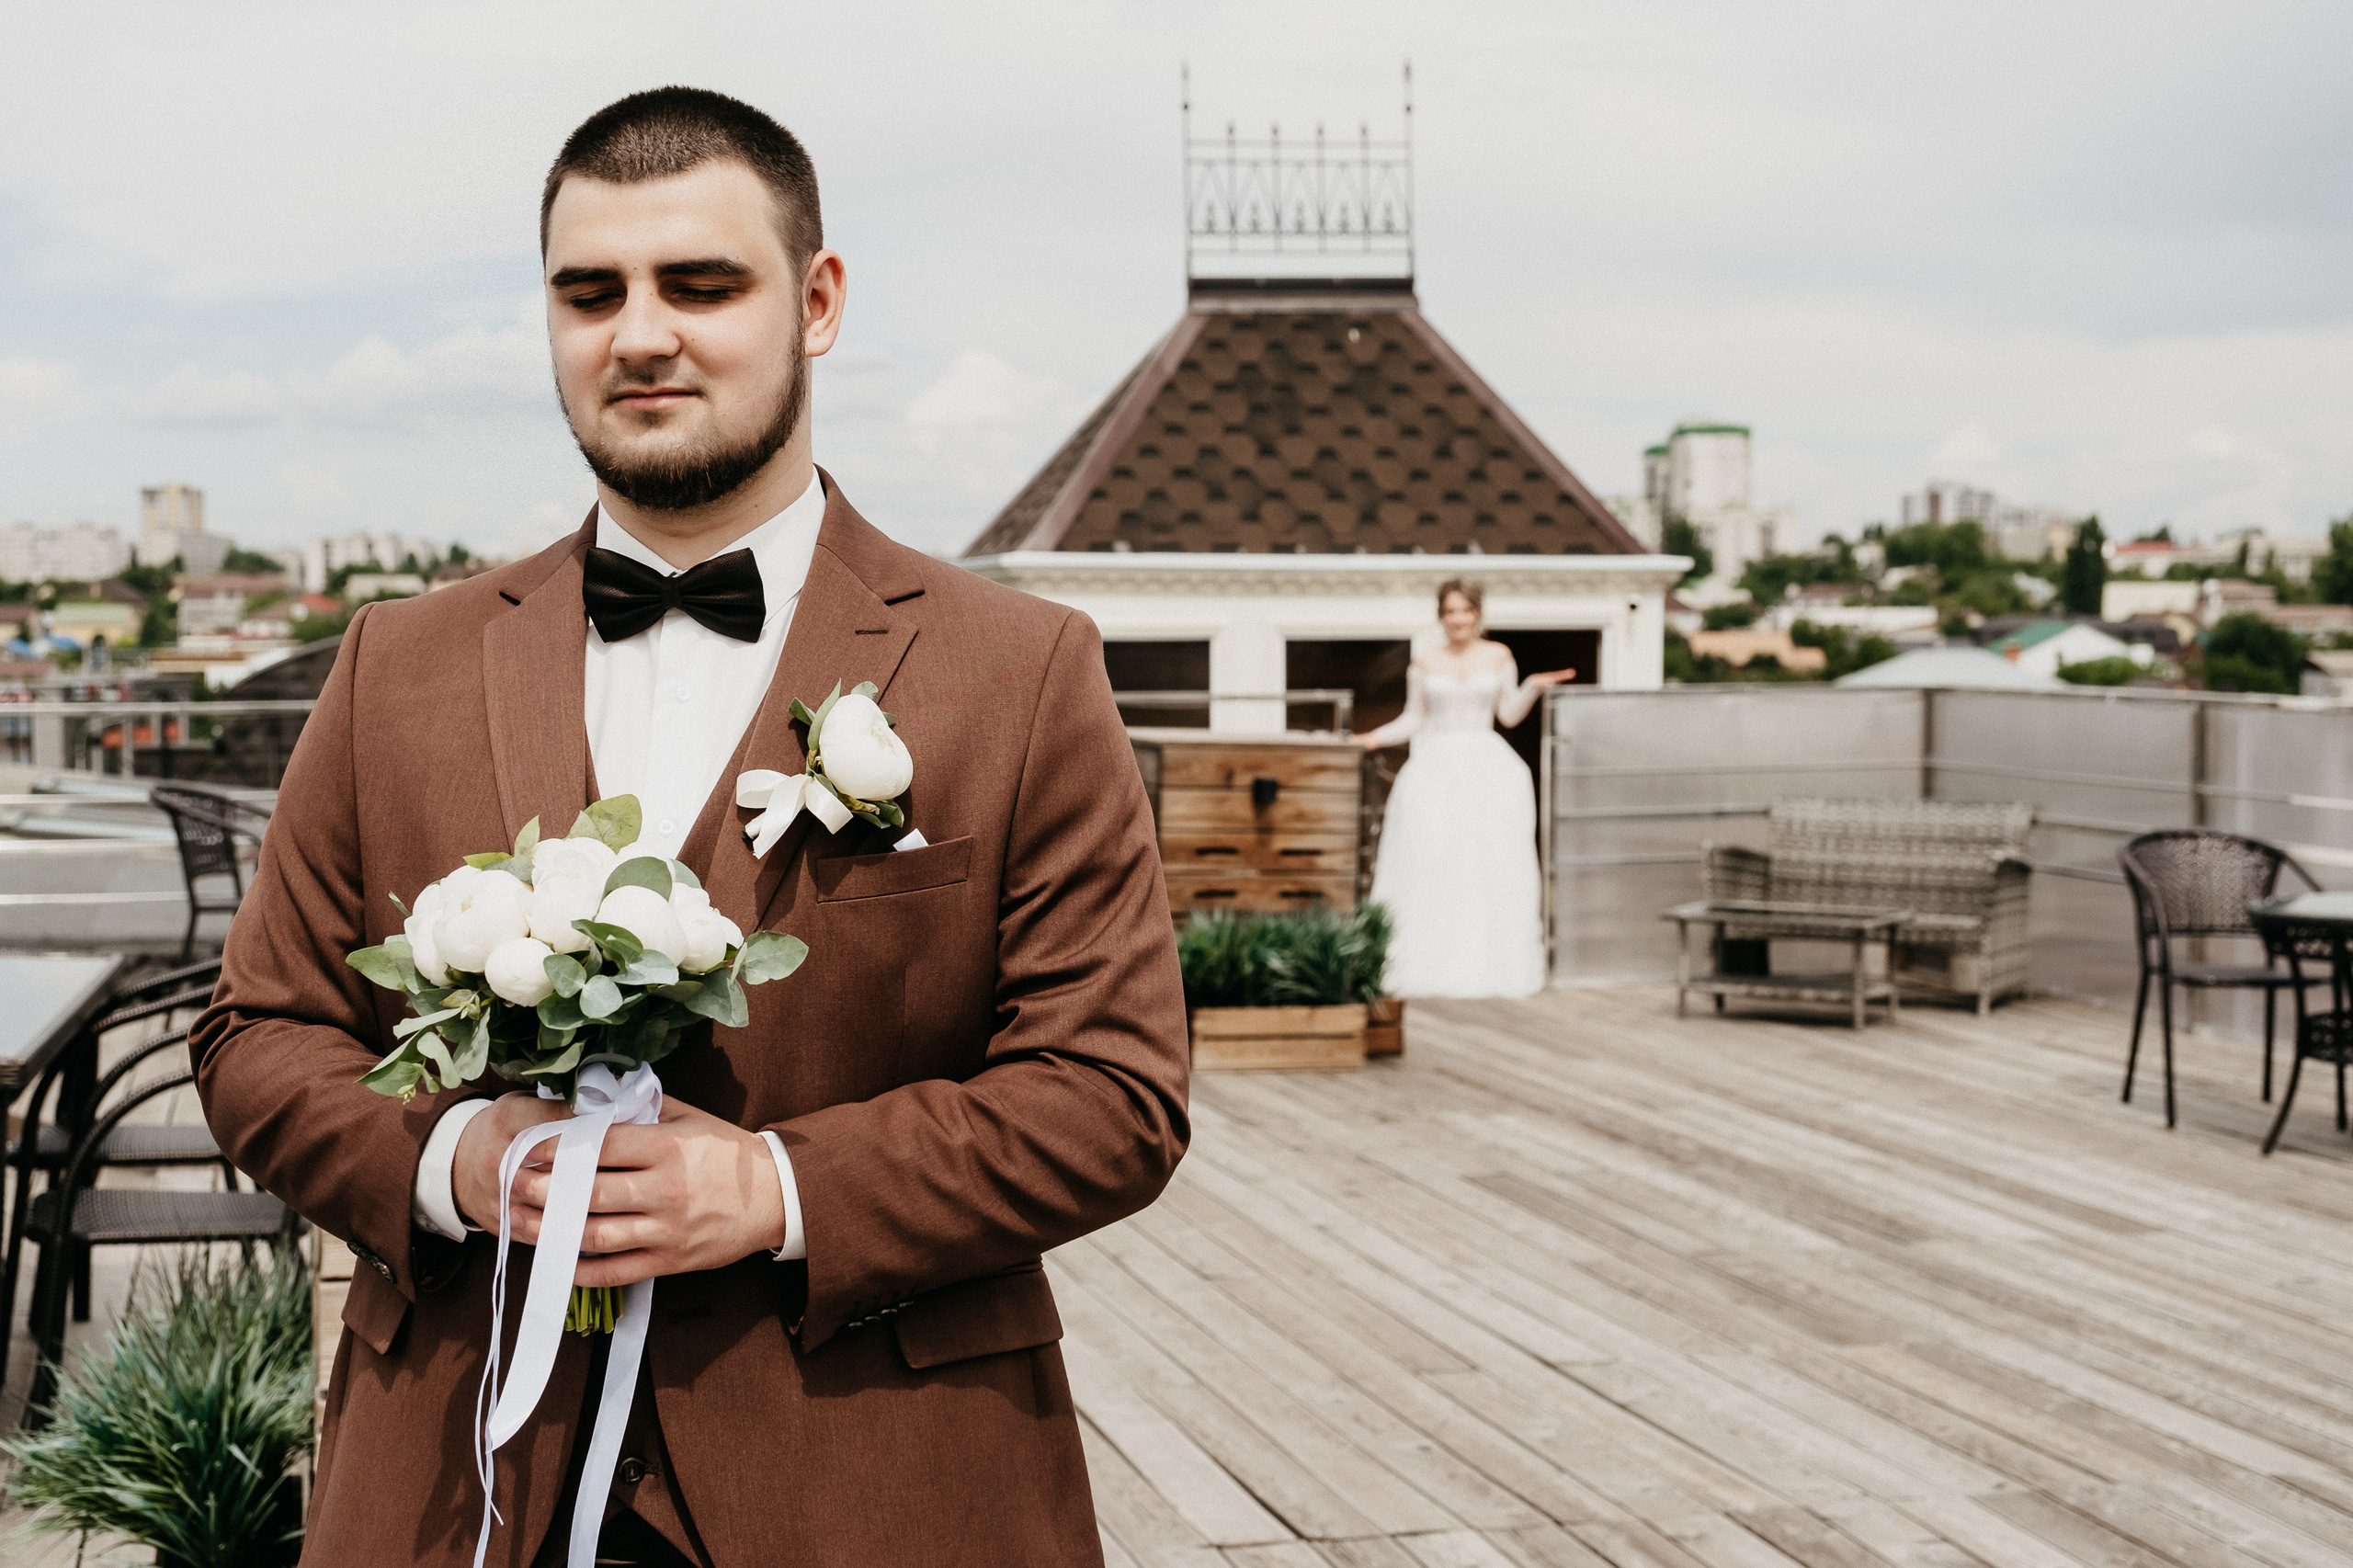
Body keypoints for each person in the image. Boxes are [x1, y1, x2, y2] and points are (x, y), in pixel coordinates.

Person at [193, 87, 1188, 1568]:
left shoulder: (1020, 669)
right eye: (589, 292)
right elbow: (256, 1038)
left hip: (879, 1483)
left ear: (820, 300)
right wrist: (455, 1156)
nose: (639, 334)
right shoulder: (392, 663)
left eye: (701, 285)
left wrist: (776, 1187)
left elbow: (1113, 1092)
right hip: (464, 1480)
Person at [1354, 579, 1575, 998]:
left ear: (1478, 614)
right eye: (1450, 611)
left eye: (1465, 611)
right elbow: (1413, 718)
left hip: (1487, 767)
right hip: (1436, 766)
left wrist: (1533, 686)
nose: (1458, 619)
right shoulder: (1423, 662)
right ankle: (1424, 962)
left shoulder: (1498, 656)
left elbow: (1508, 715)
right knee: (1431, 858)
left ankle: (1488, 966)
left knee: (1487, 862)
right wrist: (1372, 738)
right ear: (1441, 616)